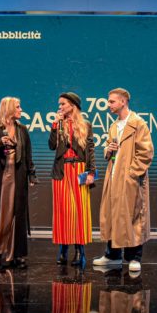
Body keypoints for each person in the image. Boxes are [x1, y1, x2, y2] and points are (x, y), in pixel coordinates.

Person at [92, 88, 154, 273]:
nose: (108, 105)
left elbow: (146, 153)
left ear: (123, 102)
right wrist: (108, 150)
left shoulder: (138, 123)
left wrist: (132, 174)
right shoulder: (114, 126)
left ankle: (134, 257)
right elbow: (108, 149)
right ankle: (113, 255)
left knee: (133, 215)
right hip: (113, 178)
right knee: (113, 215)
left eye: (112, 101)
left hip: (130, 179)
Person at [0, 97, 37, 269]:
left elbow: (28, 154)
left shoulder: (22, 130)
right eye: (18, 107)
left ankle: (16, 254)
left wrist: (31, 175)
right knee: (0, 215)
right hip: (0, 176)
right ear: (8, 109)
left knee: (17, 213)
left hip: (18, 175)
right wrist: (0, 143)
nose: (21, 110)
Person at [49, 92, 96, 267]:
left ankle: (79, 250)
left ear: (72, 105)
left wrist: (91, 172)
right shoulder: (59, 124)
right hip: (62, 171)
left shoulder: (85, 125)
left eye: (63, 104)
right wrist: (55, 125)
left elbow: (90, 149)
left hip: (79, 170)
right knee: (63, 211)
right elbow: (52, 146)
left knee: (79, 211)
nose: (60, 107)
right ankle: (63, 250)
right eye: (59, 104)